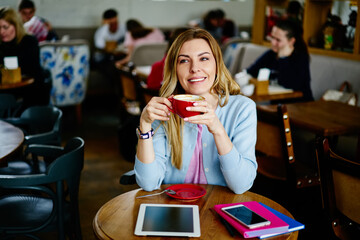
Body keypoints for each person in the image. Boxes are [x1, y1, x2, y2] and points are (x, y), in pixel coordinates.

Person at [134, 28, 257, 194]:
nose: (194, 68)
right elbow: (148, 183)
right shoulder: (163, 110)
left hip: (220, 208)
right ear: (175, 69)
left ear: (217, 64)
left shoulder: (243, 108)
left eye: (204, 58)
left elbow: (241, 185)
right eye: (184, 61)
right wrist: (145, 126)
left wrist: (218, 130)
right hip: (174, 210)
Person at [246, 19, 314, 102]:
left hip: (299, 105)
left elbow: (288, 84)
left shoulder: (300, 57)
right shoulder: (271, 54)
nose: (273, 43)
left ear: (291, 41)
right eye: (272, 38)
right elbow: (251, 72)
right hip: (275, 104)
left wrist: (283, 59)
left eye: (278, 40)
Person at [0, 7, 50, 107]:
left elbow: (32, 70)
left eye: (5, 27)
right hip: (5, 89)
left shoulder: (29, 41)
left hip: (30, 87)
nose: (1, 32)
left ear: (16, 26)